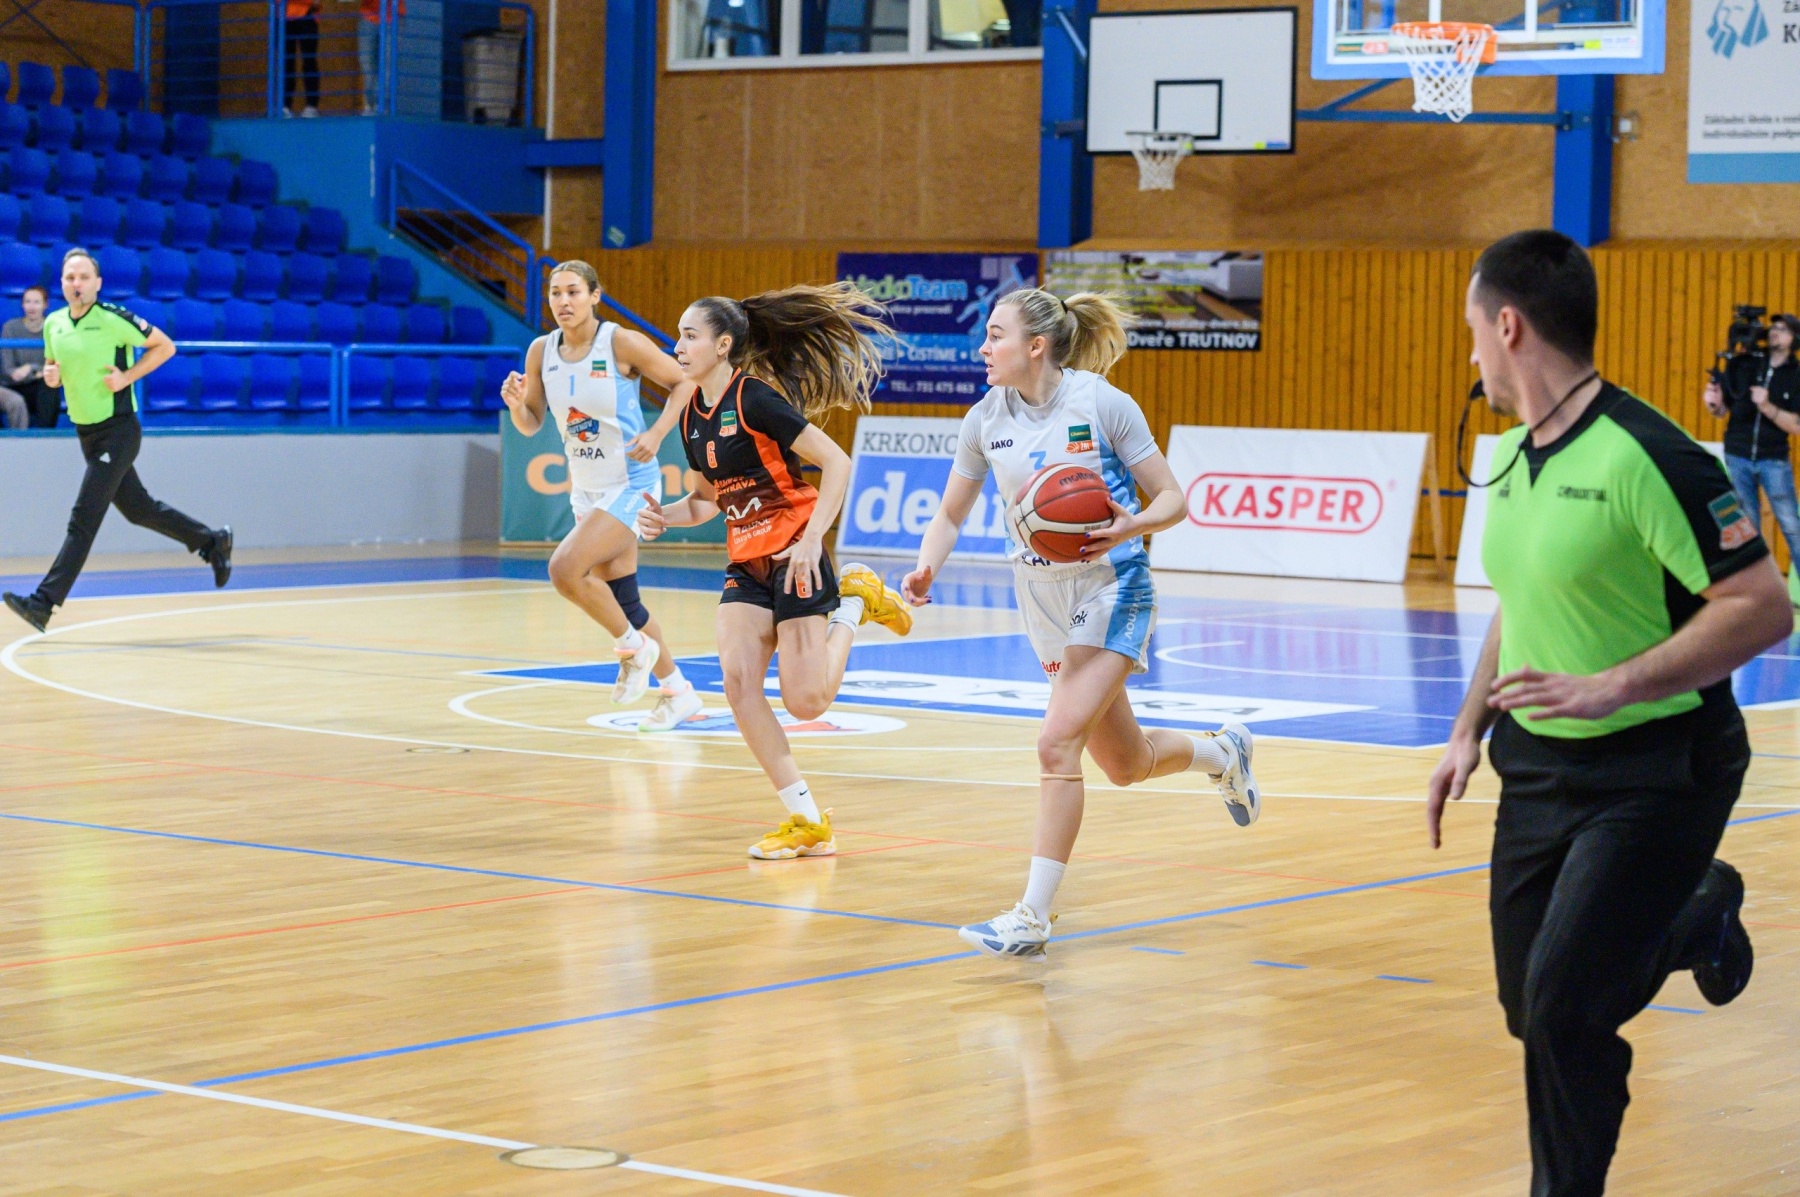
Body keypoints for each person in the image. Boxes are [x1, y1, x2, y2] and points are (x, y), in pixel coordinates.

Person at [1427, 230, 1791, 1197]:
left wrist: (1614, 684)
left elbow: (1763, 606)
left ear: (1509, 326)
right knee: (1532, 1004)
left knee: (1563, 1008)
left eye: (1473, 329)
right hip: (1539, 766)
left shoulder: (1651, 454)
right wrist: (1465, 729)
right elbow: (1520, 601)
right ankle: (1698, 913)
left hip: (1659, 768)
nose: (1472, 352)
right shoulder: (1511, 457)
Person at [897, 288, 1260, 960]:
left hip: (1111, 584)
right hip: (1040, 598)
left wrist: (1134, 523)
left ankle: (1031, 916)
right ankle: (1222, 753)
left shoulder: (1101, 404)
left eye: (996, 335)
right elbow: (949, 514)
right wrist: (926, 569)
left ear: (1036, 345)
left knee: (1055, 743)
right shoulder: (984, 419)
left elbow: (1173, 497)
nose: (983, 348)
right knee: (1125, 763)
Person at [636, 284, 914, 860]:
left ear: (723, 344)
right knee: (738, 685)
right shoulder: (691, 419)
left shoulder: (755, 398)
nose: (678, 346)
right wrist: (665, 516)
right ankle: (806, 819)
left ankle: (854, 602)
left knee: (807, 703)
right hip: (746, 560)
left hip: (793, 549)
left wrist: (813, 541)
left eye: (689, 335)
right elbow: (707, 502)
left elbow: (836, 461)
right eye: (679, 336)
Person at [499, 260, 703, 731]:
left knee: (564, 569)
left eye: (573, 291)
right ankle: (678, 692)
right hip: (587, 488)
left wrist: (657, 432)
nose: (563, 301)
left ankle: (632, 648)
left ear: (595, 296)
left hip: (632, 483)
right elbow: (531, 424)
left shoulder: (620, 342)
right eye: (555, 293)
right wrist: (517, 405)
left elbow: (684, 382)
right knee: (625, 602)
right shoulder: (540, 350)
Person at [3, 249, 232, 633]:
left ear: (98, 283)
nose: (76, 284)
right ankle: (211, 541)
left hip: (119, 431)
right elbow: (55, 370)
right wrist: (52, 377)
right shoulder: (54, 323)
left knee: (83, 519)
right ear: (62, 284)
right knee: (139, 510)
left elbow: (165, 346)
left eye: (83, 277)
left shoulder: (114, 318)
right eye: (69, 277)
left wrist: (127, 377)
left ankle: (43, 604)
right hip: (87, 434)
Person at [1705, 312, 1800, 593]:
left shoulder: (1796, 375)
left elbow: (1796, 426)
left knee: (1791, 526)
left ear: (1794, 340)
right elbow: (1723, 410)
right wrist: (1713, 404)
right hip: (1738, 456)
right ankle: (1758, 592)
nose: (1774, 332)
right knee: (1748, 529)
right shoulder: (1747, 364)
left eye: (1782, 329)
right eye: (1773, 327)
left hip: (1774, 460)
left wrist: (1767, 406)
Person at [2, 285, 58, 428]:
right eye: (28, 302)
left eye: (36, 302)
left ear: (45, 305)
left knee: (49, 386)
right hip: (12, 385)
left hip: (39, 386)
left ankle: (46, 436)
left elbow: (53, 367)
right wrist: (37, 372)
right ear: (22, 304)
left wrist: (30, 368)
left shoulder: (54, 329)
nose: (31, 307)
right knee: (15, 400)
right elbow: (8, 370)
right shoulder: (10, 327)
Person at [357, 0, 405, 115]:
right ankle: (370, 105)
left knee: (388, 64)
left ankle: (382, 105)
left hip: (393, 17)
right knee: (367, 63)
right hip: (368, 16)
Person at [284, 0, 322, 117]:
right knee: (286, 63)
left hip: (307, 15)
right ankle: (285, 105)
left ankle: (312, 105)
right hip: (283, 15)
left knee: (309, 61)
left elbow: (316, 3)